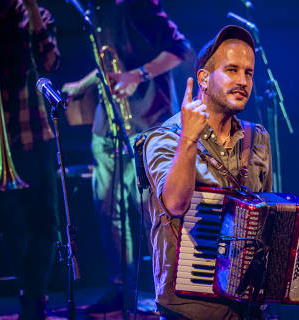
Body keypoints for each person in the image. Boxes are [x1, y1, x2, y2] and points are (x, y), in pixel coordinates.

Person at [143, 25, 299, 320]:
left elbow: (268, 217)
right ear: (203, 78)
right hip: (191, 310)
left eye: (248, 73)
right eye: (232, 70)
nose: (242, 81)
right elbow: (174, 204)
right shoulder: (165, 138)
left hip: (249, 308)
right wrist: (188, 139)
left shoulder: (258, 138)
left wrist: (295, 248)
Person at [61, 0, 190, 312]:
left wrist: (138, 75)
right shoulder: (95, 11)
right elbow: (111, 60)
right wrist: (85, 83)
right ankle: (121, 288)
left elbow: (180, 48)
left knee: (154, 213)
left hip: (148, 125)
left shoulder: (136, 5)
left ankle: (166, 292)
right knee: (108, 212)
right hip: (109, 125)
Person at [0, 0, 61, 318]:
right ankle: (28, 291)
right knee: (11, 226)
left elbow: (49, 61)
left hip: (34, 136)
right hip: (2, 139)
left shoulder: (37, 17)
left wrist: (34, 12)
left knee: (46, 224)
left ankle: (35, 298)